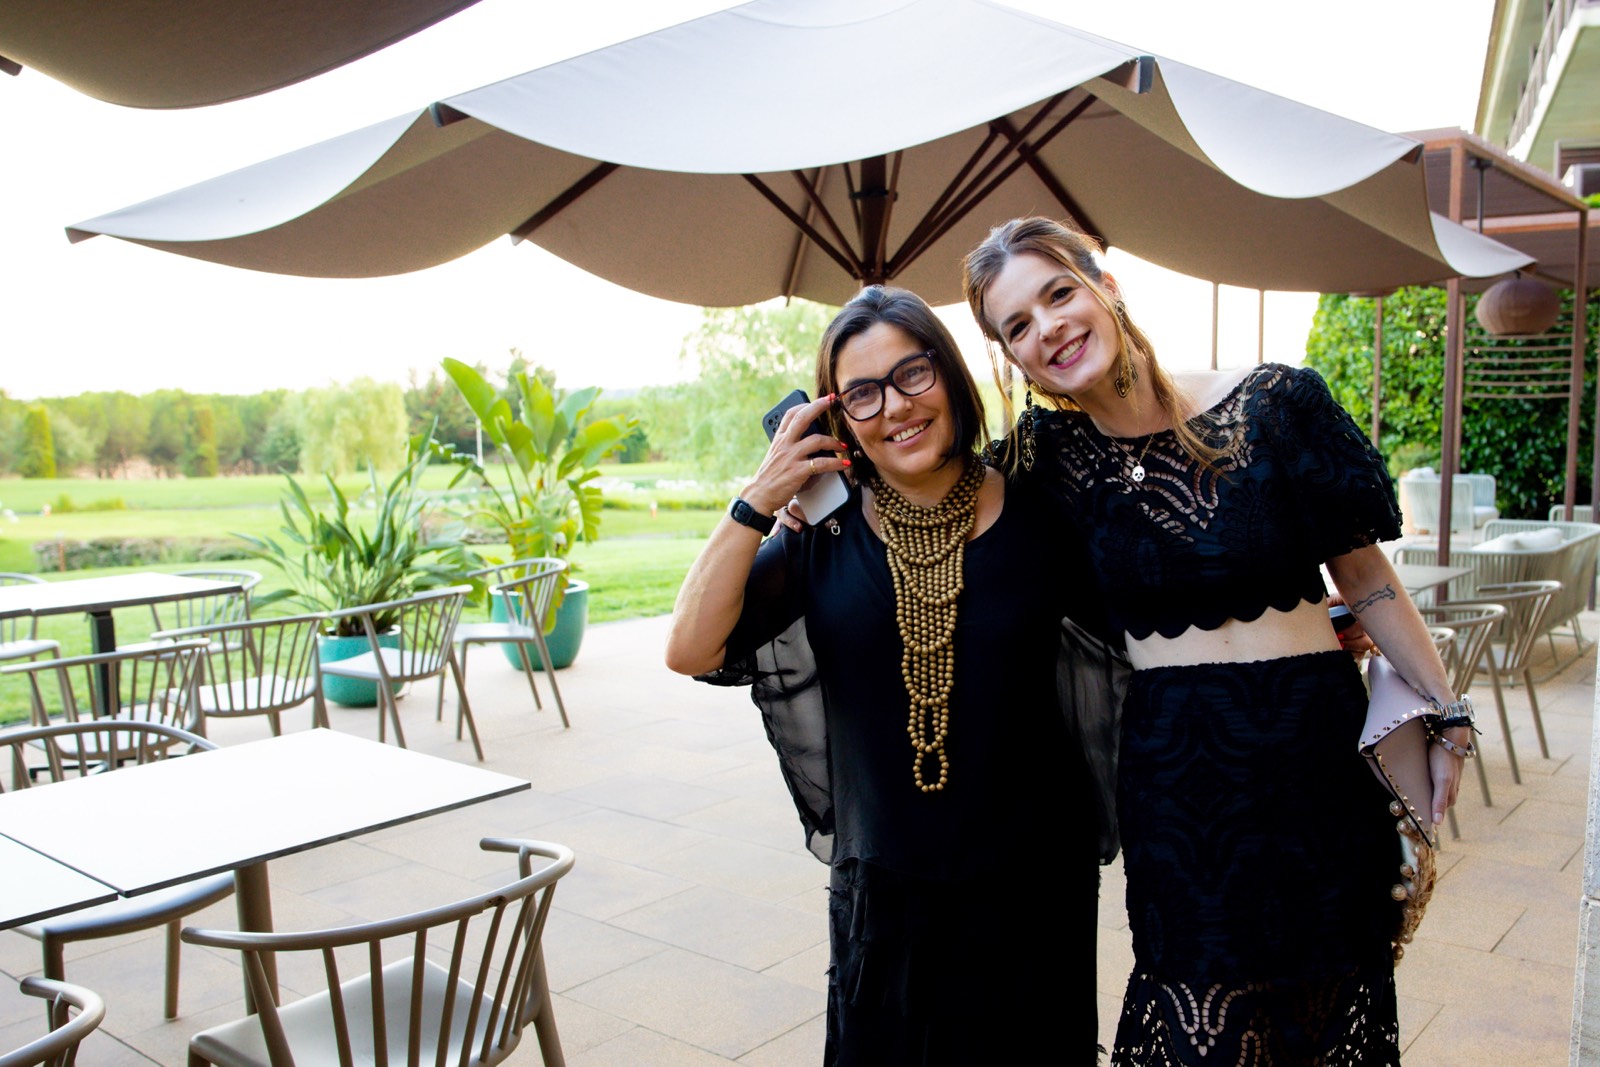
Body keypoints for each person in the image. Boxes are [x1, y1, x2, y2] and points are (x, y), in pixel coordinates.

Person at [961, 217, 1473, 1066]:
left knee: (1326, 1014)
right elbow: (930, 500)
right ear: (1010, 355)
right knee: (1207, 1028)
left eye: (1058, 293)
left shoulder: (1275, 404)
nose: (1046, 327)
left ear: (1106, 288)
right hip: (1179, 788)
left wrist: (1448, 711)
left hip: (1317, 764)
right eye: (1017, 324)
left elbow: (1367, 578)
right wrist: (802, 503)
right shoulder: (1038, 464)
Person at [665, 285, 1109, 1065]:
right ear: (837, 414)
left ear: (949, 373)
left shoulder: (1043, 512)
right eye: (863, 392)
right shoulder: (821, 533)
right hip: (886, 901)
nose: (896, 406)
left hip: (1034, 894)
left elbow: (1144, 620)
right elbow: (690, 647)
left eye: (912, 373)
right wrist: (759, 498)